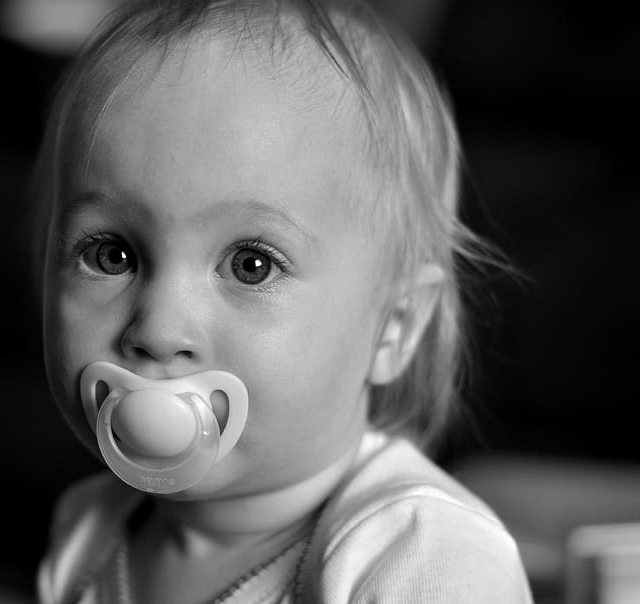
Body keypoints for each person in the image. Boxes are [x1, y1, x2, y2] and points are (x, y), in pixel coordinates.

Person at [33, 0, 534, 602]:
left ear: (394, 326)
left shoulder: (420, 556)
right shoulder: (88, 529)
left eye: (252, 264)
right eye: (112, 254)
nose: (160, 328)